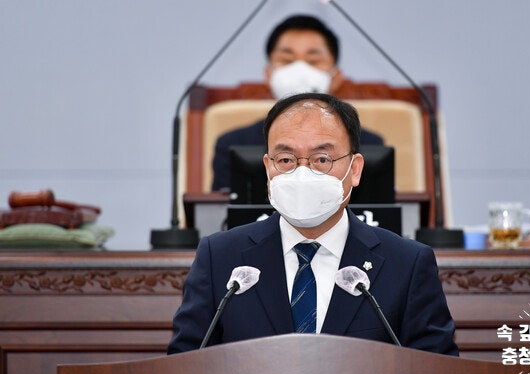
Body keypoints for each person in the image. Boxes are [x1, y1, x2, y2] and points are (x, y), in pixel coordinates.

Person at [168, 92, 458, 356]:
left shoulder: (406, 264)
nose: (302, 172)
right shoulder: (220, 258)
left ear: (355, 169)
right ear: (269, 168)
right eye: (286, 159)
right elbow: (183, 369)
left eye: (322, 158)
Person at [211, 14, 384, 191]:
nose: (300, 71)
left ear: (336, 77)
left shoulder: (369, 144)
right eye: (287, 60)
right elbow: (216, 213)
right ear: (269, 75)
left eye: (313, 61)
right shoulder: (233, 144)